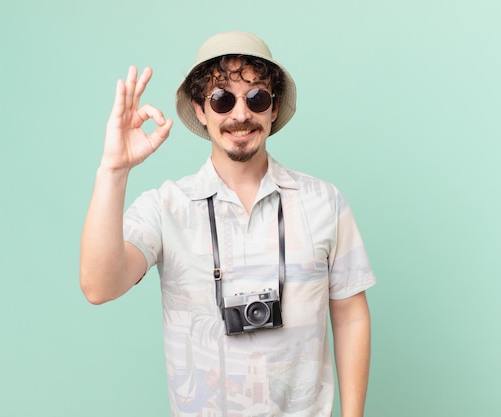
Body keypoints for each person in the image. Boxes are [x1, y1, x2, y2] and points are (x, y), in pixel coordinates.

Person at [80, 31, 376, 417]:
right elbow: (99, 287)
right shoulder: (167, 206)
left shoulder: (324, 202)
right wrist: (113, 170)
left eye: (257, 97)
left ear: (273, 108)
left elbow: (351, 315)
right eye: (222, 99)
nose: (240, 114)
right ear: (200, 110)